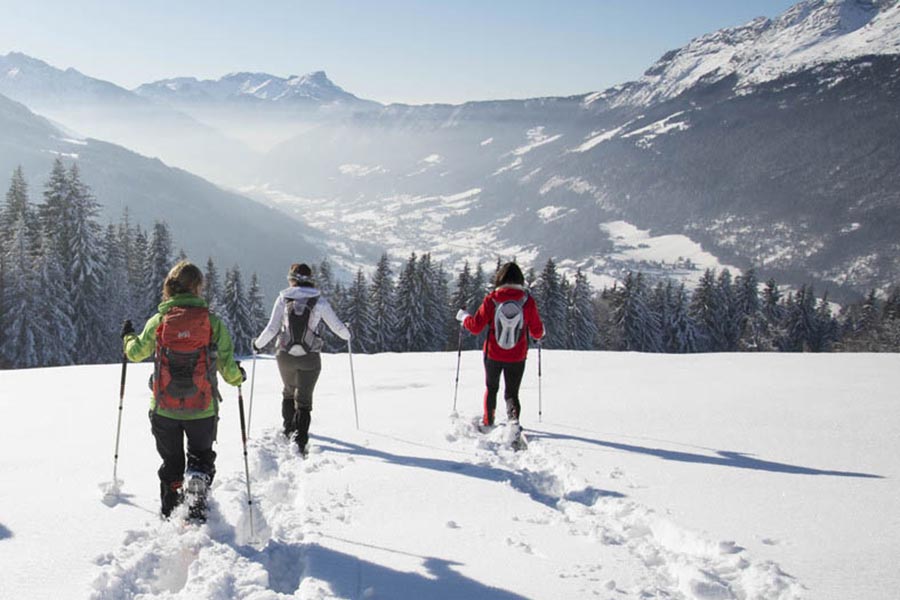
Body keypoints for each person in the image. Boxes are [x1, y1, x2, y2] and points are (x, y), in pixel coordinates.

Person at [121, 260, 246, 520]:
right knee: (201, 457)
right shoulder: (212, 323)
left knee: (172, 464)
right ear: (197, 288)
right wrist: (238, 377)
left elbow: (134, 354)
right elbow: (226, 366)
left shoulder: (160, 320)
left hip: (164, 409)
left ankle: (170, 511)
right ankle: (197, 486)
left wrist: (128, 337)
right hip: (202, 409)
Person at [253, 263, 351, 455]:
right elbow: (338, 328)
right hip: (310, 357)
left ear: (292, 278)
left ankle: (288, 429)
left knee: (289, 392)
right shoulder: (319, 302)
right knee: (304, 399)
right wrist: (348, 335)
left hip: (285, 355)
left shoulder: (283, 299)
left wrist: (257, 344)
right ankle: (300, 439)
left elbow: (272, 329)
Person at [457, 262, 544, 431]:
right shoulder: (527, 301)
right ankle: (513, 423)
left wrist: (464, 318)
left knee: (491, 388)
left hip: (493, 354)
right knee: (512, 393)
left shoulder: (492, 299)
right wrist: (540, 331)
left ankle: (489, 420)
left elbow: (475, 327)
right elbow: (537, 332)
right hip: (517, 355)